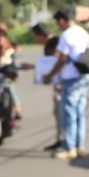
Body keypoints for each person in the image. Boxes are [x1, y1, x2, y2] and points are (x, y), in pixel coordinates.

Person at [42, 7, 89, 160]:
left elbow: (62, 59)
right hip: (84, 76)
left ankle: (70, 147)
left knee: (69, 113)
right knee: (80, 112)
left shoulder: (66, 35)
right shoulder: (83, 33)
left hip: (71, 78)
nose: (59, 26)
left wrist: (50, 75)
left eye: (58, 22)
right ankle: (80, 145)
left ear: (63, 20)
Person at [29, 23, 66, 151]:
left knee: (61, 112)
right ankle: (60, 138)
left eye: (35, 36)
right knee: (57, 112)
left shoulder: (54, 43)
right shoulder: (52, 43)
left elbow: (56, 63)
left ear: (41, 34)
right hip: (59, 82)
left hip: (62, 82)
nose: (34, 39)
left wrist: (49, 75)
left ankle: (63, 140)